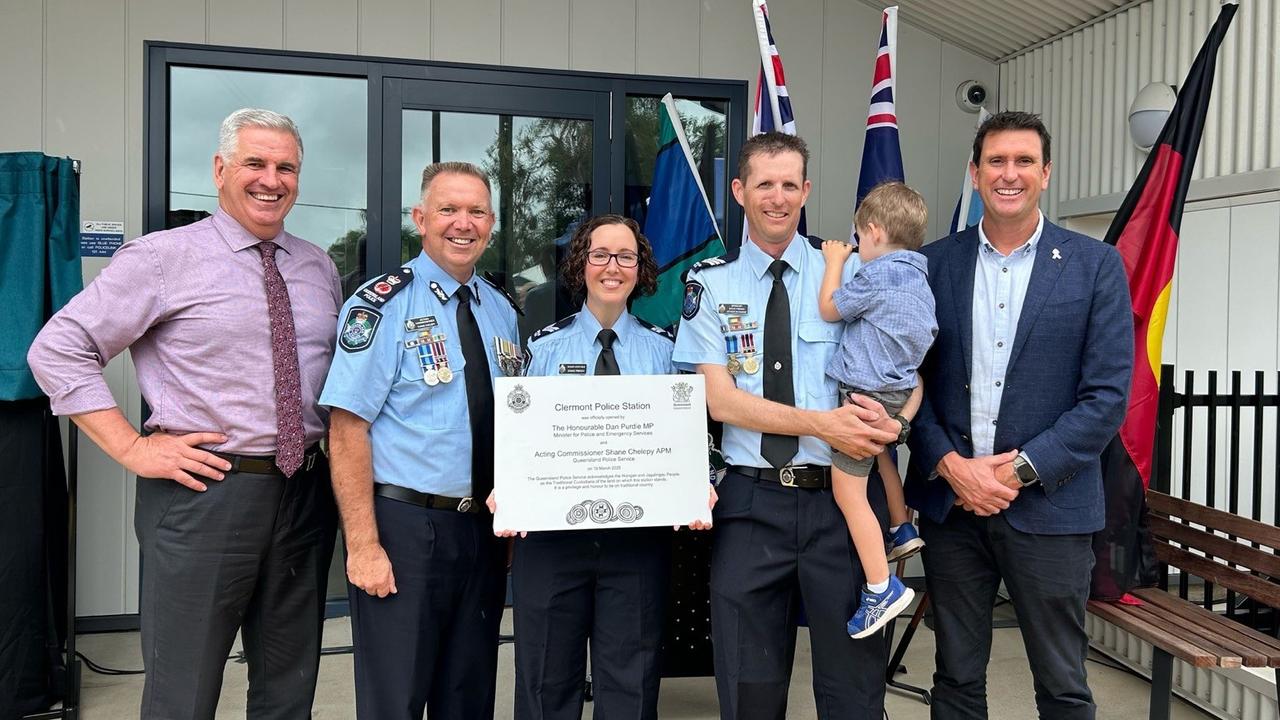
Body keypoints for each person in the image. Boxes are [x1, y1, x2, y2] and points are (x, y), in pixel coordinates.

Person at [27, 108, 341, 719]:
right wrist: (130, 446)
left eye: (286, 167)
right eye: (255, 163)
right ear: (221, 170)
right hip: (204, 494)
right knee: (183, 691)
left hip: (303, 494)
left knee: (289, 685)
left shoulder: (317, 265)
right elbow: (58, 349)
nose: (270, 180)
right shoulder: (162, 258)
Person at [904, 111, 1132, 719]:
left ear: (1046, 173)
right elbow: (905, 385)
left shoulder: (1095, 265)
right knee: (954, 674)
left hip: (1052, 510)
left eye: (1024, 161)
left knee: (1062, 682)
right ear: (974, 174)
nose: (1010, 174)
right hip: (953, 509)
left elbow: (1106, 397)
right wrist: (952, 467)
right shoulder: (929, 265)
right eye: (996, 162)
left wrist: (1012, 473)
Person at [673, 131, 901, 720]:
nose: (777, 198)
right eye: (764, 183)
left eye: (789, 184)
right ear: (739, 190)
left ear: (806, 190)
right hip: (750, 505)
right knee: (749, 689)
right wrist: (825, 424)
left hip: (839, 506)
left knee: (854, 690)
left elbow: (905, 360)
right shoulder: (708, 284)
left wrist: (895, 420)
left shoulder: (851, 276)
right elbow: (720, 402)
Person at [488, 214, 711, 719]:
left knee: (630, 688)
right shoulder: (542, 349)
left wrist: (699, 484)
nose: (613, 267)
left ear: (641, 268)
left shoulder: (667, 352)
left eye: (626, 256)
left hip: (636, 544)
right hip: (550, 544)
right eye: (600, 255)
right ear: (580, 265)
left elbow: (693, 439)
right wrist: (510, 486)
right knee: (545, 684)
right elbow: (519, 440)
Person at [320, 161, 521, 720]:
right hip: (406, 530)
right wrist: (362, 547)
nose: (463, 223)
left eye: (476, 211)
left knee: (469, 695)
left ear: (492, 223)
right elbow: (347, 427)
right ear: (420, 218)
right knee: (396, 699)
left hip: (480, 530)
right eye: (448, 210)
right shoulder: (380, 305)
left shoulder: (501, 311)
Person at [817, 181, 937, 639]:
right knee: (883, 456)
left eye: (858, 239)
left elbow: (830, 309)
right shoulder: (919, 277)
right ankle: (901, 528)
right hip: (896, 392)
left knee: (849, 494)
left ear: (872, 231)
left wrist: (833, 262)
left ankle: (879, 587)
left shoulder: (878, 274)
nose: (857, 247)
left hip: (862, 396)